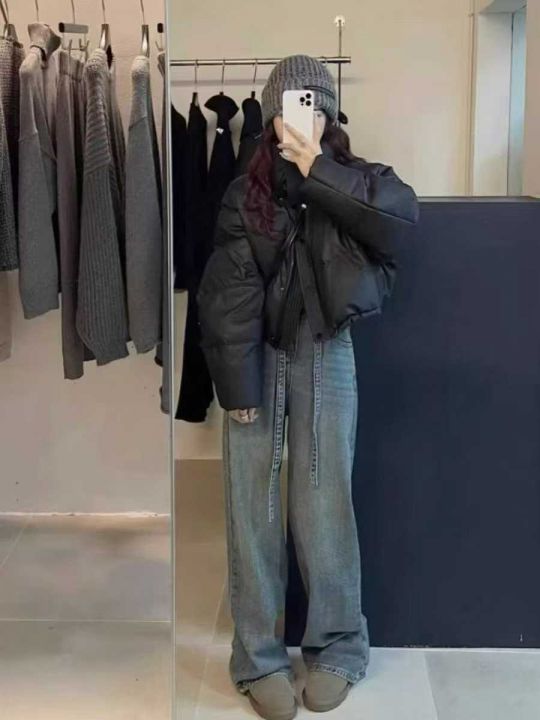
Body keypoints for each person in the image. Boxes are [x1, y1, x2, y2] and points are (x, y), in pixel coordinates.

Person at [196, 54, 419, 720]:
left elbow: (398, 223)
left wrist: (317, 168)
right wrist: (238, 388)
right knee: (253, 506)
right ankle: (257, 657)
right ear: (270, 117)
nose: (304, 116)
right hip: (259, 355)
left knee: (325, 505)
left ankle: (339, 646)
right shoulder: (245, 193)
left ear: (330, 114)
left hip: (328, 352)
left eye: (314, 104)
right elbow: (229, 294)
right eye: (292, 106)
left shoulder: (357, 180)